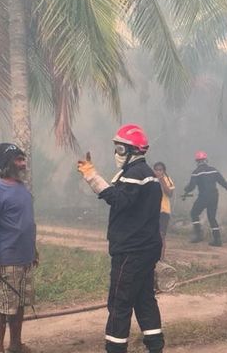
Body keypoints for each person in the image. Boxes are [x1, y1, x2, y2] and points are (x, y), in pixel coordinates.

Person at [77, 124, 164, 353]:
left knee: (119, 302)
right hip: (145, 250)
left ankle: (115, 349)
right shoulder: (149, 176)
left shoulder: (135, 175)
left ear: (131, 151)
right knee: (144, 300)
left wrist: (92, 177)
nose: (116, 153)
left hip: (130, 252)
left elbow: (119, 200)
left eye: (120, 148)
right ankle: (156, 347)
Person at [0, 143, 37, 353]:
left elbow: (28, 222)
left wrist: (34, 250)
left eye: (23, 159)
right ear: (7, 164)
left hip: (25, 258)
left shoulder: (23, 189)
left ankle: (16, 344)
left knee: (20, 303)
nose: (23, 163)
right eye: (18, 159)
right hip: (7, 259)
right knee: (3, 307)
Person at [184, 151, 227, 246]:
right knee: (212, 217)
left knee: (194, 213)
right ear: (206, 160)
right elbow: (223, 182)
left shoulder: (196, 172)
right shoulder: (213, 170)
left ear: (197, 161)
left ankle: (198, 234)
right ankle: (217, 239)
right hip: (214, 196)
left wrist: (186, 189)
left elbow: (191, 187)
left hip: (203, 196)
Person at [154, 162, 174, 260]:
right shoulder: (151, 180)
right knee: (151, 234)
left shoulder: (167, 179)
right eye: (156, 169)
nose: (158, 172)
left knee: (161, 234)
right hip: (152, 211)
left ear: (164, 171)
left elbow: (170, 193)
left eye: (160, 170)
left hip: (164, 211)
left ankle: (161, 258)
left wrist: (162, 181)